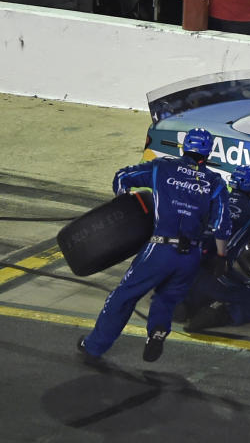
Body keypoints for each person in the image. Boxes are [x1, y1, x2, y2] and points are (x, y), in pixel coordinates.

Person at [77, 128, 231, 363]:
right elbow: (221, 225)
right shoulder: (216, 182)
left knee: (123, 297)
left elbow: (122, 176)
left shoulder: (162, 167)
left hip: (159, 250)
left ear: (184, 147)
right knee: (166, 299)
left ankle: (94, 347)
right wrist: (221, 257)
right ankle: (158, 330)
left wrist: (123, 206)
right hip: (191, 256)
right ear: (208, 153)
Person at [177, 165, 250, 331]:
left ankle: (184, 302)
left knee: (224, 280)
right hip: (211, 273)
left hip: (181, 269)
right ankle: (220, 315)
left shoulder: (213, 199)